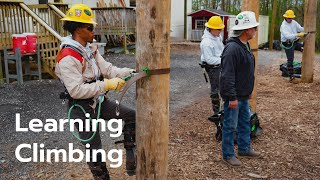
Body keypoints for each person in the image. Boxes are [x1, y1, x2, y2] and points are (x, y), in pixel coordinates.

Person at [55, 4, 136, 179]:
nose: (94, 30)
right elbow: (76, 90)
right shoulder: (68, 56)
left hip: (98, 101)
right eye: (90, 27)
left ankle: (131, 158)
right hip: (81, 108)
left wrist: (125, 73)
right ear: (77, 29)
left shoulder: (89, 49)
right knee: (95, 151)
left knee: (131, 115)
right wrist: (106, 85)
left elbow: (107, 69)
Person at [219, 11, 261, 166]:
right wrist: (232, 97)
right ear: (246, 30)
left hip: (242, 95)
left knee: (244, 122)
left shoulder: (245, 45)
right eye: (254, 28)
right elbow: (227, 76)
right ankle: (228, 154)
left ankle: (244, 148)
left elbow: (245, 71)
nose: (255, 31)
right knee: (230, 125)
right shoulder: (232, 49)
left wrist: (247, 91)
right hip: (234, 97)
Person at [200, 16, 225, 121]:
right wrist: (224, 60)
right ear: (211, 28)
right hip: (212, 67)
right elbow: (210, 60)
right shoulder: (206, 43)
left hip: (219, 63)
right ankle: (217, 112)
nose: (220, 31)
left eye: (220, 29)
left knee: (222, 86)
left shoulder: (216, 36)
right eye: (218, 29)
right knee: (215, 89)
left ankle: (222, 109)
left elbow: (221, 49)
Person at [280, 9, 305, 79]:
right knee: (290, 59)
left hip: (294, 41)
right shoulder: (283, 26)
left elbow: (300, 28)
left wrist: (307, 28)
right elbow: (287, 36)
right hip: (287, 44)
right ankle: (291, 75)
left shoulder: (294, 22)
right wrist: (298, 35)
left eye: (291, 18)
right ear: (285, 17)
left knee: (305, 48)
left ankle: (303, 67)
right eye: (289, 18)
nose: (290, 19)